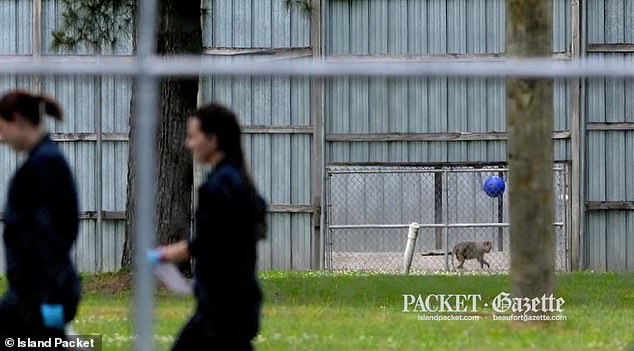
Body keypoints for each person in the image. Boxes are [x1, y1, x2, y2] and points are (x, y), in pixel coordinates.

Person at [148, 102, 267, 351]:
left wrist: (163, 255)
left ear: (212, 140)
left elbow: (207, 242)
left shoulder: (218, 187)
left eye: (193, 137)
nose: (188, 144)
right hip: (237, 302)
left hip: (221, 306)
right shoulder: (239, 182)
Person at [0, 90, 81, 348]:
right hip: (32, 293)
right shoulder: (44, 161)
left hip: (38, 295)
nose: (1, 137)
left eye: (2, 127)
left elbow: (51, 238)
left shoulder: (44, 166)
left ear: (18, 120)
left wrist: (51, 299)